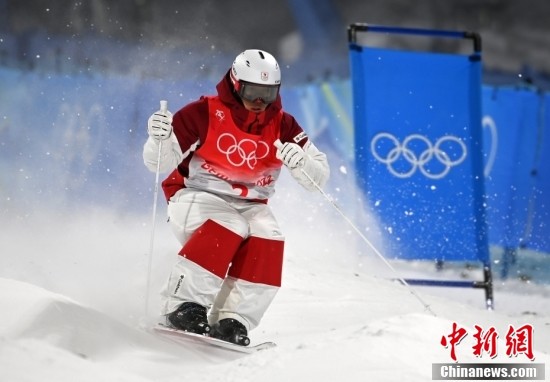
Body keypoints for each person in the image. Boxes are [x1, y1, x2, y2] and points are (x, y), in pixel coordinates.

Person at [143, 49, 329, 345]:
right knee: (229, 224)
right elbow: (158, 163)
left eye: (267, 94)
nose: (259, 102)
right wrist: (158, 139)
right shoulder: (203, 112)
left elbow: (318, 178)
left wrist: (302, 162)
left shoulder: (284, 124)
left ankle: (233, 319)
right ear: (235, 83)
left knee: (269, 235)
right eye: (252, 92)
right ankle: (182, 306)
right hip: (194, 195)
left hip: (251, 205)